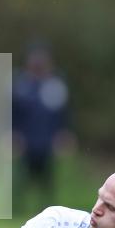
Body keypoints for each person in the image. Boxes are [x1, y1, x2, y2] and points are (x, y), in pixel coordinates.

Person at [12, 44, 71, 213]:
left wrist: (63, 134)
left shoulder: (55, 85)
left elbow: (64, 113)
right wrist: (13, 134)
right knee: (22, 180)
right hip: (26, 141)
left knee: (47, 182)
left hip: (47, 141)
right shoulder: (20, 85)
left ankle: (48, 212)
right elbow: (13, 112)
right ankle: (18, 212)